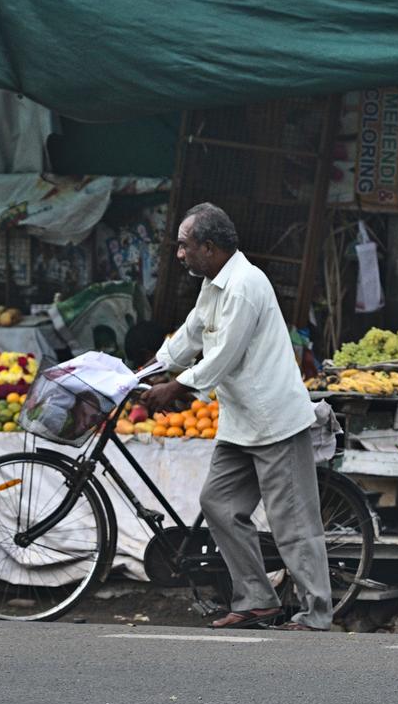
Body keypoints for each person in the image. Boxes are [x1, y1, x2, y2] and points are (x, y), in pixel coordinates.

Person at [140, 202, 332, 631]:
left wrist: (176, 386)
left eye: (185, 246)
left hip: (276, 421)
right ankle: (256, 598)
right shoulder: (214, 285)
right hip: (241, 421)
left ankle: (316, 614)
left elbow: (223, 355)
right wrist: (145, 371)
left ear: (209, 246)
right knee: (219, 504)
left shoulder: (245, 285)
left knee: (293, 524)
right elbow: (189, 335)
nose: (180, 254)